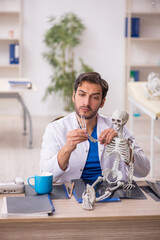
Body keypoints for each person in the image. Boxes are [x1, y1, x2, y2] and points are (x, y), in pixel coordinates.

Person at [40, 72, 150, 183]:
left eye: (95, 98)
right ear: (74, 97)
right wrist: (66, 149)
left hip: (112, 192)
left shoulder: (116, 127)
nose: (86, 103)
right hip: (72, 194)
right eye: (82, 95)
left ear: (102, 102)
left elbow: (144, 170)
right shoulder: (55, 129)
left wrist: (124, 146)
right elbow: (46, 174)